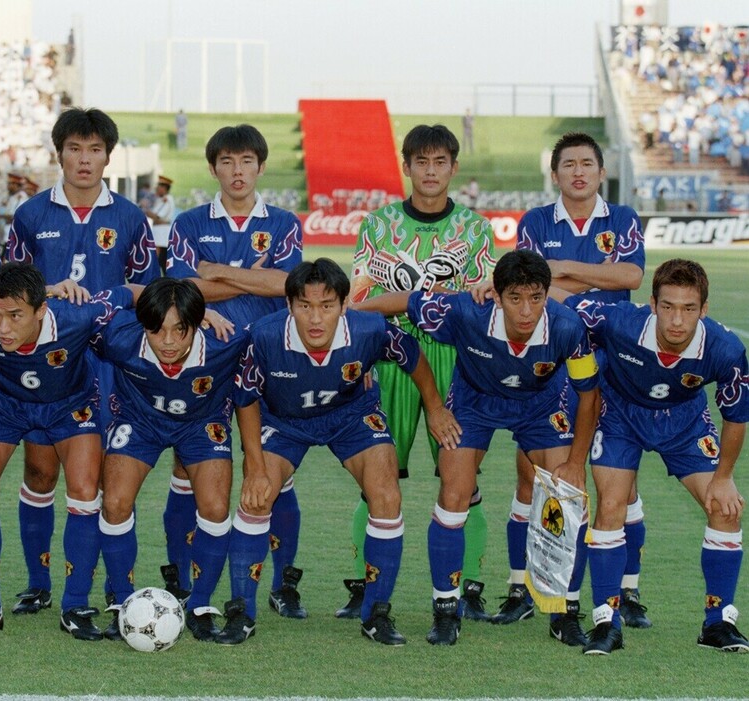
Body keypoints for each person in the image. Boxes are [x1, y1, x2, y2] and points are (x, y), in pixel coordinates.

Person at [359, 249, 600, 646]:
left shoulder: (567, 327)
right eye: (516, 299)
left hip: (540, 405)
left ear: (546, 295)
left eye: (536, 298)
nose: (526, 311)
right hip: (473, 403)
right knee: (453, 494)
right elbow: (405, 299)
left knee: (566, 497)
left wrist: (576, 462)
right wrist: (351, 319)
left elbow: (588, 396)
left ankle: (564, 611)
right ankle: (446, 610)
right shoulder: (466, 312)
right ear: (496, 294)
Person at [219, 259, 446, 645]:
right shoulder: (264, 336)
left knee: (387, 495)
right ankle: (242, 609)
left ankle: (376, 611)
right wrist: (254, 465)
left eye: (326, 305)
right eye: (305, 306)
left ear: (344, 305)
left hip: (351, 415)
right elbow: (245, 400)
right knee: (255, 499)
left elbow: (410, 354)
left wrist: (435, 406)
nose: (315, 318)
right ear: (289, 305)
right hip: (284, 419)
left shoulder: (368, 329)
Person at [475, 132, 647, 634]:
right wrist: (594, 279)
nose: (578, 172)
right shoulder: (534, 222)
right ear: (555, 175)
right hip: (550, 364)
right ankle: (520, 587)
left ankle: (628, 591)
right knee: (532, 475)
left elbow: (633, 277)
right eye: (568, 164)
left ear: (600, 173)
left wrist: (564, 270)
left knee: (619, 478)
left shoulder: (623, 219)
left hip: (614, 361)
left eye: (587, 164)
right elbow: (531, 287)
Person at [0, 263, 135, 639]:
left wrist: (202, 312)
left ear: (41, 309)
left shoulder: (80, 314)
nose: (2, 327)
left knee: (86, 492)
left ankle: (75, 606)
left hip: (70, 406)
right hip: (1, 404)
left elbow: (132, 292)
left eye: (15, 315)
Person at [6, 107, 159, 621]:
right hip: (47, 360)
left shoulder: (131, 217)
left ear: (108, 156)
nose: (85, 159)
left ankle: (115, 587)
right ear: (60, 154)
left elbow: (149, 292)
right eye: (76, 148)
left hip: (110, 363)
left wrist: (116, 297)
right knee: (40, 470)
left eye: (95, 150)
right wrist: (46, 290)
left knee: (103, 479)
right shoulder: (30, 215)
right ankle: (37, 581)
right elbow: (7, 291)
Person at [347, 123, 496, 620]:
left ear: (454, 168)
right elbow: (360, 300)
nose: (430, 172)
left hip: (455, 362)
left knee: (462, 478)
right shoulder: (377, 225)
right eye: (421, 162)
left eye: (440, 163)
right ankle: (365, 587)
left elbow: (481, 301)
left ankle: (466, 585)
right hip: (391, 357)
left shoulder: (474, 229)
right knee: (375, 476)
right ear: (406, 167)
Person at [574, 259, 748, 654]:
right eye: (668, 306)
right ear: (652, 303)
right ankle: (606, 620)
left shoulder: (726, 349)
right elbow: (559, 305)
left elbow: (736, 417)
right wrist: (498, 292)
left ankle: (717, 621)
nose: (676, 320)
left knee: (725, 509)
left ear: (704, 310)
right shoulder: (619, 321)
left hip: (685, 422)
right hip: (621, 416)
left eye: (689, 309)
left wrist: (723, 477)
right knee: (611, 506)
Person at [167, 123, 304, 616]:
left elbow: (287, 286)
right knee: (189, 467)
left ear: (261, 166)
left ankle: (282, 584)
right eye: (227, 161)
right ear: (212, 168)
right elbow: (182, 290)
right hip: (203, 359)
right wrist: (252, 280)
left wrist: (217, 272)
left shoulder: (285, 222)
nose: (237, 170)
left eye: (246, 161)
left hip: (269, 362)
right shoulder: (186, 223)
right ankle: (181, 578)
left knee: (270, 471)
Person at [92, 277, 248, 643]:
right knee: (114, 503)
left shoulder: (228, 341)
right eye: (157, 330)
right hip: (139, 420)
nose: (168, 342)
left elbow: (278, 345)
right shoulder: (118, 337)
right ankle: (119, 599)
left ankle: (201, 604)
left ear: (196, 324)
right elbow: (84, 318)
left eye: (180, 330)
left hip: (201, 423)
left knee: (214, 506)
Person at [143, 175, 177, 270]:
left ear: (164, 188)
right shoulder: (160, 200)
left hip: (162, 231)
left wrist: (144, 209)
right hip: (159, 231)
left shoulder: (167, 200)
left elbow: (158, 216)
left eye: (159, 187)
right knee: (161, 259)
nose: (156, 189)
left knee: (161, 258)